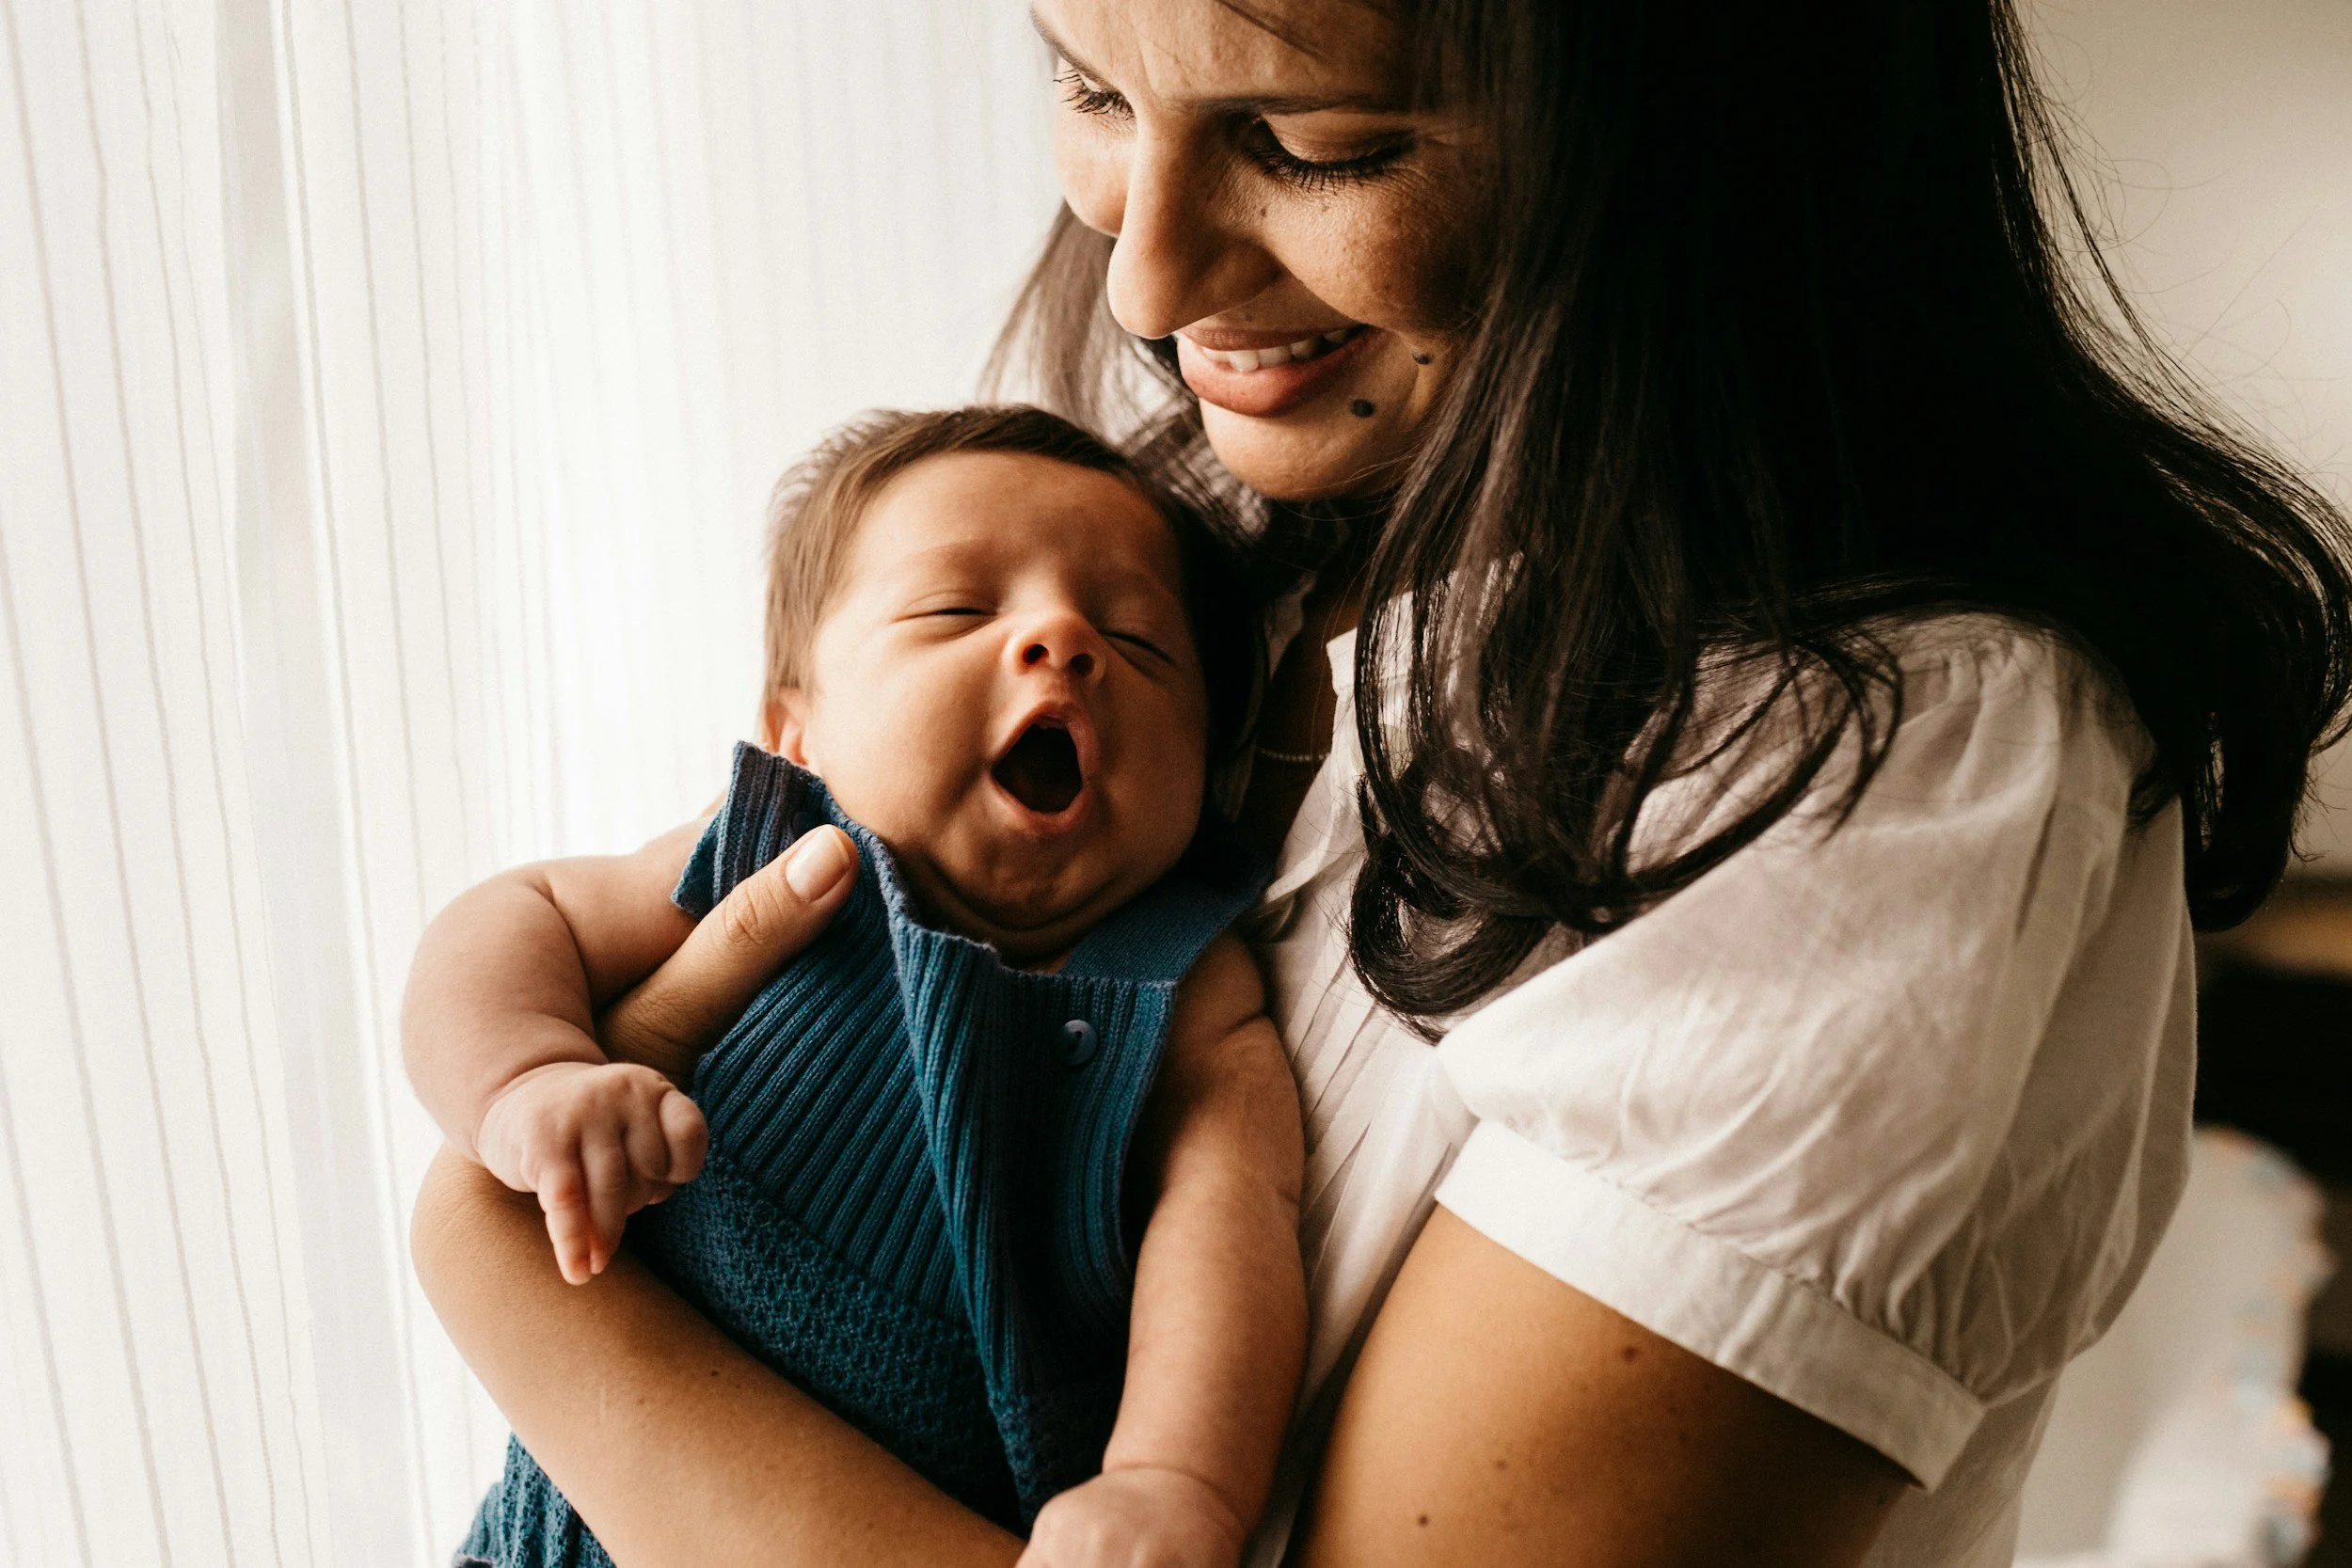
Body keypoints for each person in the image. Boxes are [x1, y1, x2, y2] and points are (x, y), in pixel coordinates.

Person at [407, 0, 2352, 1563]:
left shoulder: (1874, 783)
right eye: (1085, 81)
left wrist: (519, 1277)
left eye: (1315, 141)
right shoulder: (1224, 532)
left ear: (1697, 146)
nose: (1147, 274)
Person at [404, 407, 1304, 1568]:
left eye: (1139, 641)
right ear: (798, 732)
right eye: (956, 610)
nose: (1064, 638)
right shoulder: (770, 854)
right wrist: (526, 1077)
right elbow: (513, 915)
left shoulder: (1184, 980)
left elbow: (1229, 1220)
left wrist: (1170, 1478)